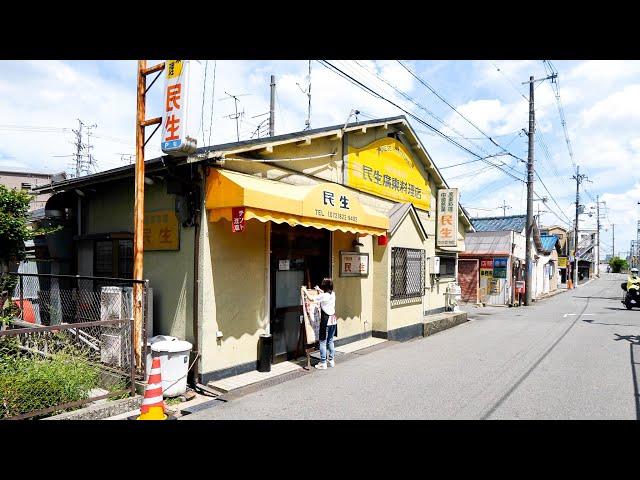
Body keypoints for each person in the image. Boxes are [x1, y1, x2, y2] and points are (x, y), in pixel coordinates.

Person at [312, 278, 337, 370]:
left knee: (322, 341)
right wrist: (318, 290)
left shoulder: (323, 296)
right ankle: (331, 360)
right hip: (333, 320)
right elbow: (325, 294)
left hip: (326, 320)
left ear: (325, 286)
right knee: (330, 340)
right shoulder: (333, 294)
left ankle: (323, 362)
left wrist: (304, 291)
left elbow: (311, 298)